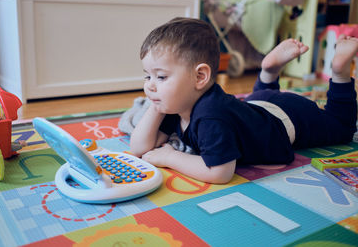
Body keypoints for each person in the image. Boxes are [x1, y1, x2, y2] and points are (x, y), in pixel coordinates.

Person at [130, 17, 358, 184]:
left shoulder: (210, 117)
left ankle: (339, 73)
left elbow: (219, 172)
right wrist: (156, 104)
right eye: (147, 76)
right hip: (258, 103)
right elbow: (139, 147)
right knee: (253, 106)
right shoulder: (178, 103)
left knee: (342, 127)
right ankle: (269, 71)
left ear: (200, 76)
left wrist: (171, 156)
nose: (150, 84)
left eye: (161, 77)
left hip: (293, 117)